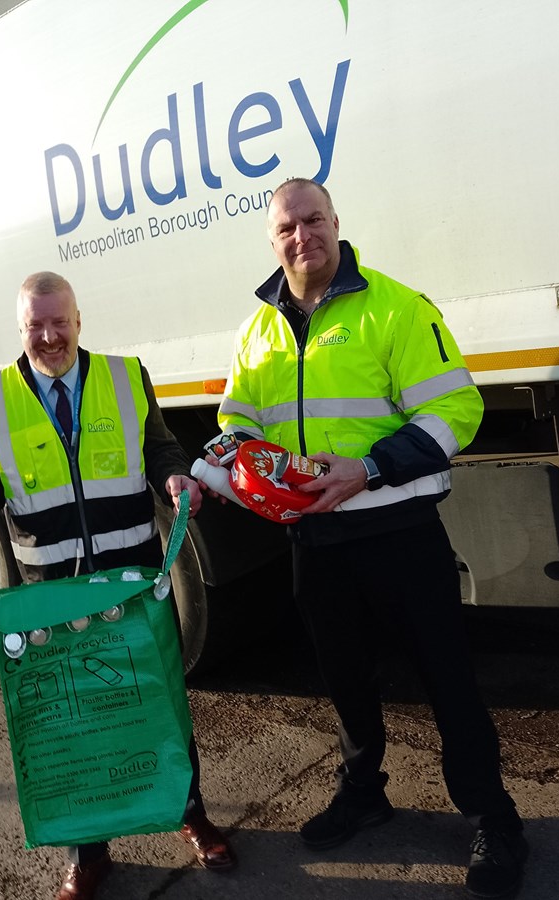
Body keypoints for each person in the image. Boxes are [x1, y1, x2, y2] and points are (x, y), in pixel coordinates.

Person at [206, 178, 527, 899]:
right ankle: (364, 791)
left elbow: (456, 406)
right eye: (286, 227)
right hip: (314, 539)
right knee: (344, 678)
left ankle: (494, 819)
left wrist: (373, 467)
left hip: (397, 529)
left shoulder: (395, 305)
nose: (301, 236)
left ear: (336, 222)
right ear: (272, 239)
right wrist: (226, 467)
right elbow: (238, 421)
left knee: (448, 679)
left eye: (312, 220)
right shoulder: (257, 328)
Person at [0, 271, 235, 900]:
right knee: (71, 724)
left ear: (78, 320)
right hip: (51, 592)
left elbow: (161, 449)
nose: (48, 335)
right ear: (21, 328)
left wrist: (176, 480)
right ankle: (89, 853)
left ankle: (189, 811)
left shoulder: (126, 377)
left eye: (58, 322)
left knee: (158, 702)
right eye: (35, 325)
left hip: (130, 584)